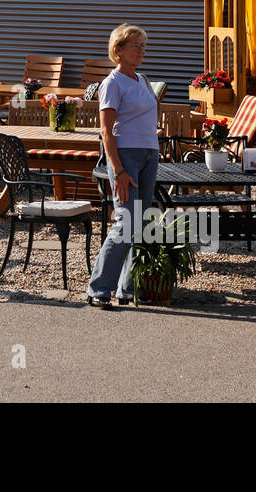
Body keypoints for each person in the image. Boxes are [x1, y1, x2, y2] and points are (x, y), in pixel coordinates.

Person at [85, 24, 160, 309]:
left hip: (149, 154)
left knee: (140, 224)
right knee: (126, 222)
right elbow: (106, 131)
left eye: (143, 46)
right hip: (125, 155)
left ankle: (126, 289)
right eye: (136, 46)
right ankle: (98, 289)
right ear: (118, 51)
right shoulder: (112, 83)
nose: (141, 51)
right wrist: (117, 171)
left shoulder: (142, 80)